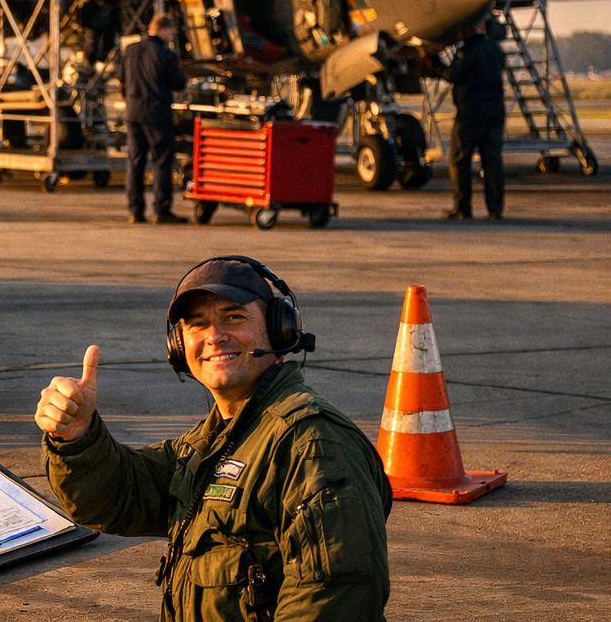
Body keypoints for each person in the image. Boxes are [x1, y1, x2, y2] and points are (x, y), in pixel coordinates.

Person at [35, 256, 392, 621]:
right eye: (197, 324)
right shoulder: (213, 443)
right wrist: (77, 436)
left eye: (233, 317)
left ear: (279, 328)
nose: (214, 337)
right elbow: (117, 496)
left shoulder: (311, 444)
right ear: (178, 345)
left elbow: (334, 596)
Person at [123, 13, 188, 224]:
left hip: (132, 111)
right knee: (161, 160)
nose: (171, 36)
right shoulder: (164, 53)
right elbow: (178, 82)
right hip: (156, 112)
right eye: (171, 32)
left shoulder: (130, 50)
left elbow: (121, 80)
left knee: (135, 161)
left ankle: (135, 210)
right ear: (164, 30)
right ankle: (162, 209)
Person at [444, 17, 506, 220]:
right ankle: (495, 210)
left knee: (459, 159)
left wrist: (433, 65)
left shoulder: (468, 50)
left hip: (471, 113)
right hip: (495, 111)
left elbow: (453, 74)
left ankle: (463, 208)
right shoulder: (494, 48)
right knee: (492, 161)